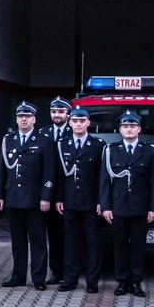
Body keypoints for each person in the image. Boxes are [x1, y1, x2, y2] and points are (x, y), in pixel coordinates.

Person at [0, 102, 55, 291]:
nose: (23, 119)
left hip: (35, 200)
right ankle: (18, 276)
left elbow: (49, 172)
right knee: (18, 242)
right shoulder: (9, 140)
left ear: (34, 119)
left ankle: (38, 278)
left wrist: (46, 196)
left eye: (27, 116)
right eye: (20, 116)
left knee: (37, 242)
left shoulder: (44, 140)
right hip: (14, 198)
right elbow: (1, 171)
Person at [100, 110, 154, 298]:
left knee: (138, 246)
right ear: (120, 129)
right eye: (125, 126)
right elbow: (105, 181)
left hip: (140, 207)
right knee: (119, 246)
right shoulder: (111, 150)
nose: (129, 129)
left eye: (132, 126)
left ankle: (136, 282)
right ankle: (122, 282)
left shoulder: (149, 151)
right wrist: (105, 206)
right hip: (118, 207)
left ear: (139, 129)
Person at [54, 108, 104, 293]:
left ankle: (92, 281)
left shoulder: (98, 145)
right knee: (71, 242)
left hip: (91, 202)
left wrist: (101, 200)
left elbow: (102, 176)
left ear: (88, 123)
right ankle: (70, 279)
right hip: (69, 201)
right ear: (70, 122)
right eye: (75, 121)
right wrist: (58, 197)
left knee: (93, 243)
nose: (78, 124)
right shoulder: (62, 144)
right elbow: (58, 174)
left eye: (82, 121)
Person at [40, 97, 72, 284]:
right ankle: (55, 271)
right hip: (49, 193)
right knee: (53, 234)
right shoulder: (43, 133)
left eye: (61, 111)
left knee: (70, 236)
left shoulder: (73, 131)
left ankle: (70, 272)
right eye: (54, 111)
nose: (57, 115)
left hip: (69, 192)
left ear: (67, 114)